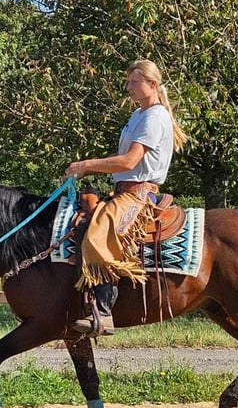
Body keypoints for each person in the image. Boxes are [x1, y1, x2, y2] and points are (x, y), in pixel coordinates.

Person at [64, 59, 188, 335]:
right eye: (129, 82)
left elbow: (130, 161)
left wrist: (86, 166)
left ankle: (104, 311)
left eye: (134, 82)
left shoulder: (154, 117)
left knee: (98, 237)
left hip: (138, 195)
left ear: (152, 84)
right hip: (125, 191)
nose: (129, 87)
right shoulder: (138, 116)